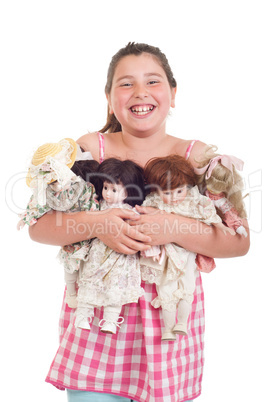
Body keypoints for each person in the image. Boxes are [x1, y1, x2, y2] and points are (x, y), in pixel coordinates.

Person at [29, 42, 250, 402]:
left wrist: (173, 226)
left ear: (173, 94)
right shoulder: (88, 151)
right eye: (126, 83)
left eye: (153, 81)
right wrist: (97, 223)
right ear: (109, 97)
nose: (140, 92)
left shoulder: (199, 158)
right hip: (99, 324)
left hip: (169, 327)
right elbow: (38, 225)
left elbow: (239, 241)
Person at [139, 154, 237, 341]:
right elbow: (144, 217)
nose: (174, 197)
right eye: (167, 193)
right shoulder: (154, 202)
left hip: (186, 252)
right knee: (165, 287)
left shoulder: (192, 200)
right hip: (165, 253)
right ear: (157, 191)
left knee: (187, 284)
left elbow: (206, 211)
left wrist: (219, 224)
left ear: (187, 186)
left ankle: (182, 323)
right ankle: (168, 328)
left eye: (179, 191)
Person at [18, 138, 99, 308]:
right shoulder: (46, 192)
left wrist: (94, 218)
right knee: (70, 268)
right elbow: (38, 205)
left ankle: (88, 296)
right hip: (68, 232)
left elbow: (90, 201)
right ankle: (72, 293)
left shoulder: (82, 186)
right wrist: (28, 217)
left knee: (90, 267)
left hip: (88, 230)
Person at [75, 157, 146, 334]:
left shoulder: (130, 211)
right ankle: (83, 315)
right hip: (98, 253)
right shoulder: (98, 206)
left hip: (120, 257)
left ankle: (111, 320)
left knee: (116, 285)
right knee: (90, 279)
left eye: (114, 189)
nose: (107, 193)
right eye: (106, 187)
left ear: (128, 192)